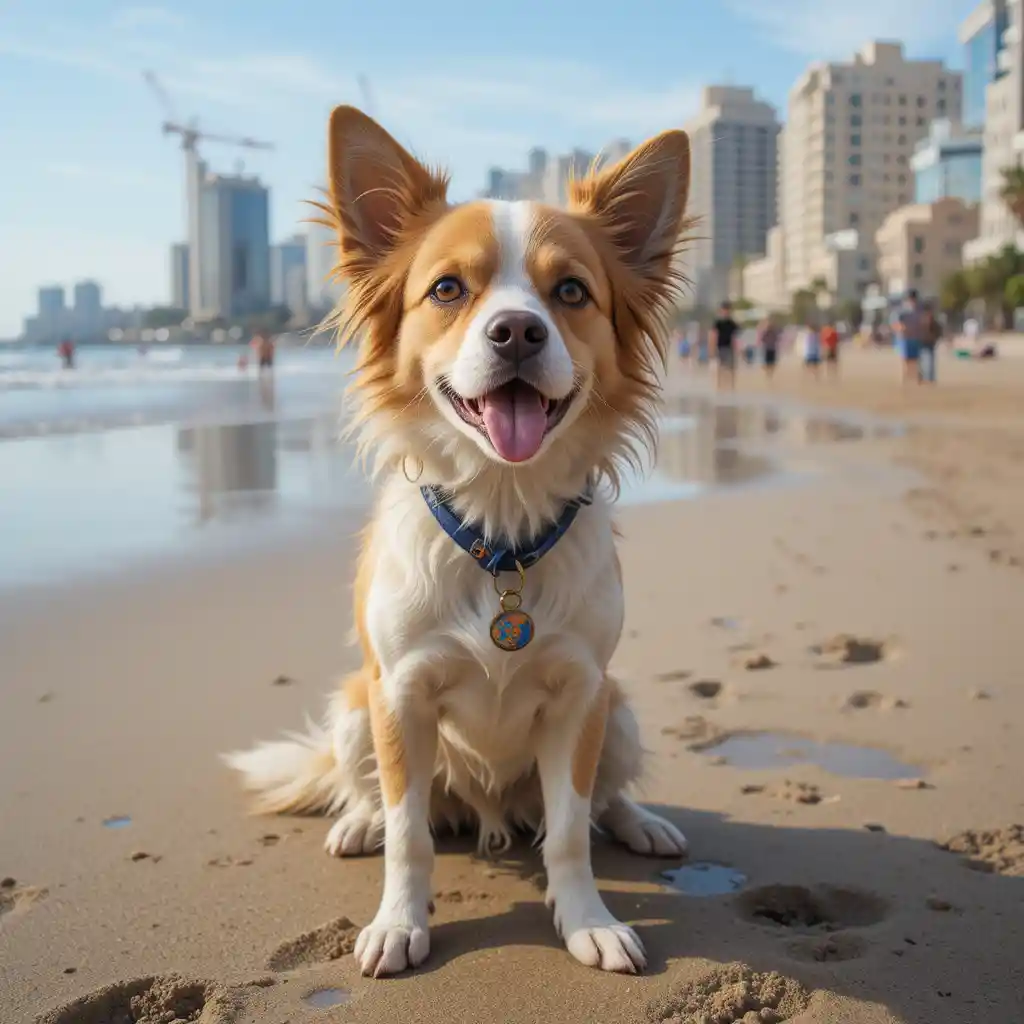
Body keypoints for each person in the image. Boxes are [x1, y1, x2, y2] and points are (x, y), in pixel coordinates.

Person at [895, 289, 924, 385]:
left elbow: (922, 323)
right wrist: (902, 328)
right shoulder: (902, 310)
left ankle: (916, 378)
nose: (912, 301)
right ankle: (904, 379)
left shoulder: (919, 310)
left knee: (915, 359)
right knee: (905, 359)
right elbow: (896, 323)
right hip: (905, 338)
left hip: (915, 337)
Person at [710, 301, 739, 390]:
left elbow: (735, 336)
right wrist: (712, 348)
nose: (726, 311)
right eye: (724, 310)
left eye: (727, 310)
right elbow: (714, 335)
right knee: (720, 366)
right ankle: (719, 385)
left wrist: (737, 348)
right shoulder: (718, 322)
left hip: (729, 347)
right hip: (720, 346)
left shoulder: (732, 323)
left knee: (731, 368)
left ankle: (731, 386)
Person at [919, 304, 942, 384]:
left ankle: (929, 380)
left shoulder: (933, 322)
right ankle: (926, 379)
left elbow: (938, 332)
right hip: (923, 344)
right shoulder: (922, 321)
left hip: (929, 344)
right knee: (924, 364)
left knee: (928, 364)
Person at [757, 314, 781, 380]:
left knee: (772, 363)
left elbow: (777, 339)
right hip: (768, 348)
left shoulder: (774, 332)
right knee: (768, 363)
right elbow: (762, 339)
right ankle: (768, 373)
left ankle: (769, 374)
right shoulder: (767, 332)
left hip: (771, 348)